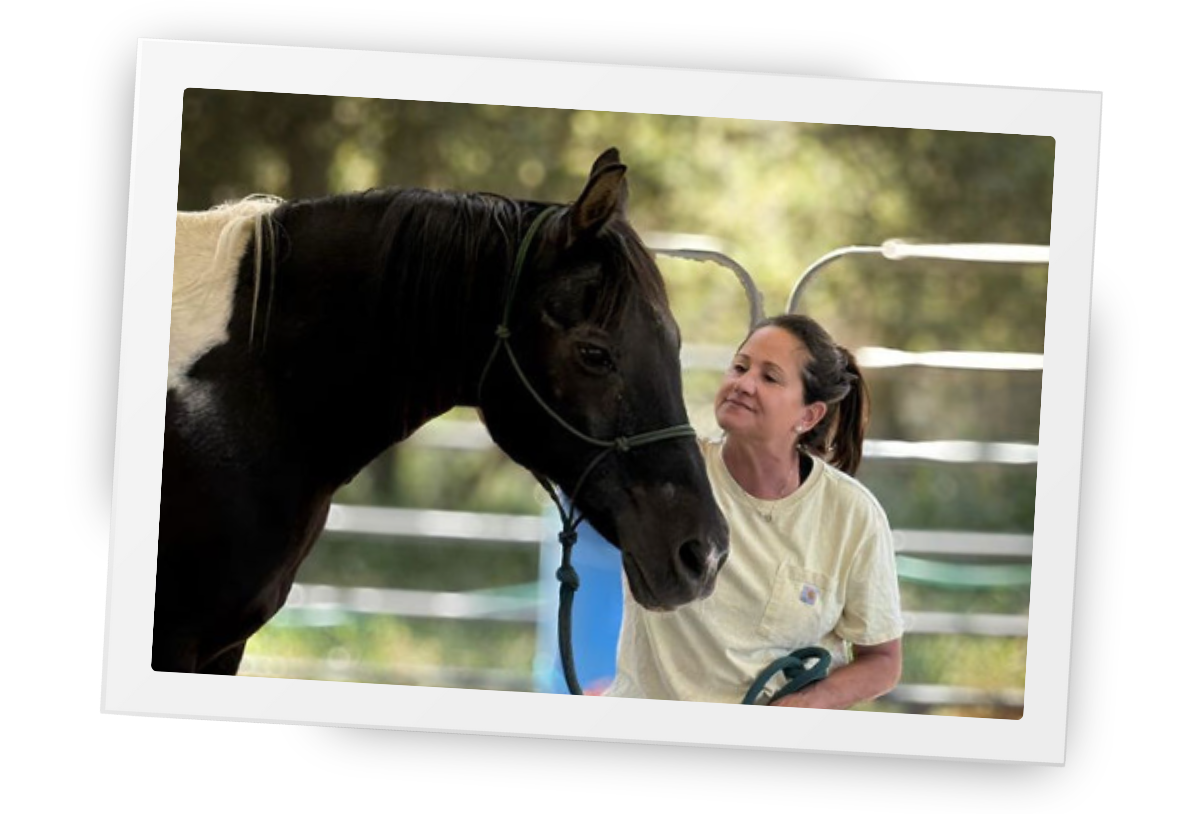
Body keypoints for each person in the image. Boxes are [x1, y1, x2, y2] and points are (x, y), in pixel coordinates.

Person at [602, 313, 904, 708]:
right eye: (740, 366)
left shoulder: (852, 515)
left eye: (770, 377)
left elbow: (883, 661)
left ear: (808, 415)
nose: (743, 384)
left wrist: (806, 705)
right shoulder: (667, 473)